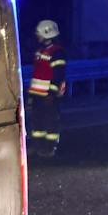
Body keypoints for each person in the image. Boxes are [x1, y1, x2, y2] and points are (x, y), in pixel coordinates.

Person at [27, 19, 67, 157]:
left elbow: (59, 74)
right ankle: (37, 146)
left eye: (39, 33)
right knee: (36, 122)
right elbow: (37, 73)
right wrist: (31, 95)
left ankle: (50, 147)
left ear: (46, 33)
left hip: (49, 95)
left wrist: (52, 93)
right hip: (37, 94)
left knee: (50, 122)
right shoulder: (40, 51)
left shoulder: (57, 52)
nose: (37, 36)